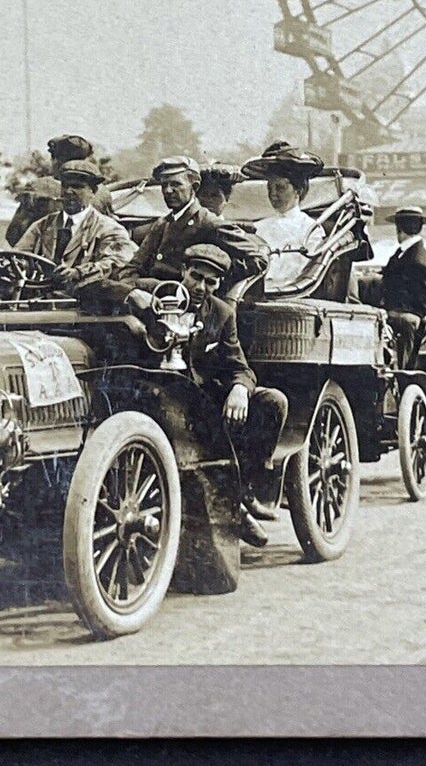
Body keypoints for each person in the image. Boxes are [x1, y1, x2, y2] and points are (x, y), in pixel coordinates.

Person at [135, 244, 287, 547]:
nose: (202, 287)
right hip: (155, 394)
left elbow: (238, 366)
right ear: (183, 272)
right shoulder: (157, 293)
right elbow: (95, 285)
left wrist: (240, 390)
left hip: (201, 398)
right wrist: (130, 296)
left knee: (273, 402)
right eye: (196, 277)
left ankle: (243, 494)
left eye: (211, 282)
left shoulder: (221, 313)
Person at [15, 159, 137, 291]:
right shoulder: (42, 226)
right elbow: (19, 254)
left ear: (93, 191)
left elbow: (118, 261)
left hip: (82, 302)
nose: (68, 191)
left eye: (77, 186)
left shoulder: (108, 229)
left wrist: (78, 273)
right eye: (65, 186)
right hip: (40, 298)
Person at [117, 156, 222, 288]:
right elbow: (133, 267)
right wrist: (135, 286)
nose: (168, 191)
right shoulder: (162, 224)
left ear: (194, 187)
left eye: (176, 184)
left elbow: (253, 260)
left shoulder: (208, 223)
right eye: (164, 185)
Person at [241, 142, 326, 292]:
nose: (273, 194)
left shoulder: (310, 229)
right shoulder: (259, 227)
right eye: (270, 188)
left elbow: (306, 273)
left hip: (289, 293)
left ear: (298, 190)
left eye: (280, 187)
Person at [6, 133, 113, 246]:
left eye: (53, 158)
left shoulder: (37, 188)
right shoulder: (103, 192)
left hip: (44, 260)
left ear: (57, 160)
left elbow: (13, 234)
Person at [381, 206, 426, 361]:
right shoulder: (409, 254)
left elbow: (419, 300)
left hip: (407, 315)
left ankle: (399, 366)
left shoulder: (415, 258)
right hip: (405, 313)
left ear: (399, 229)